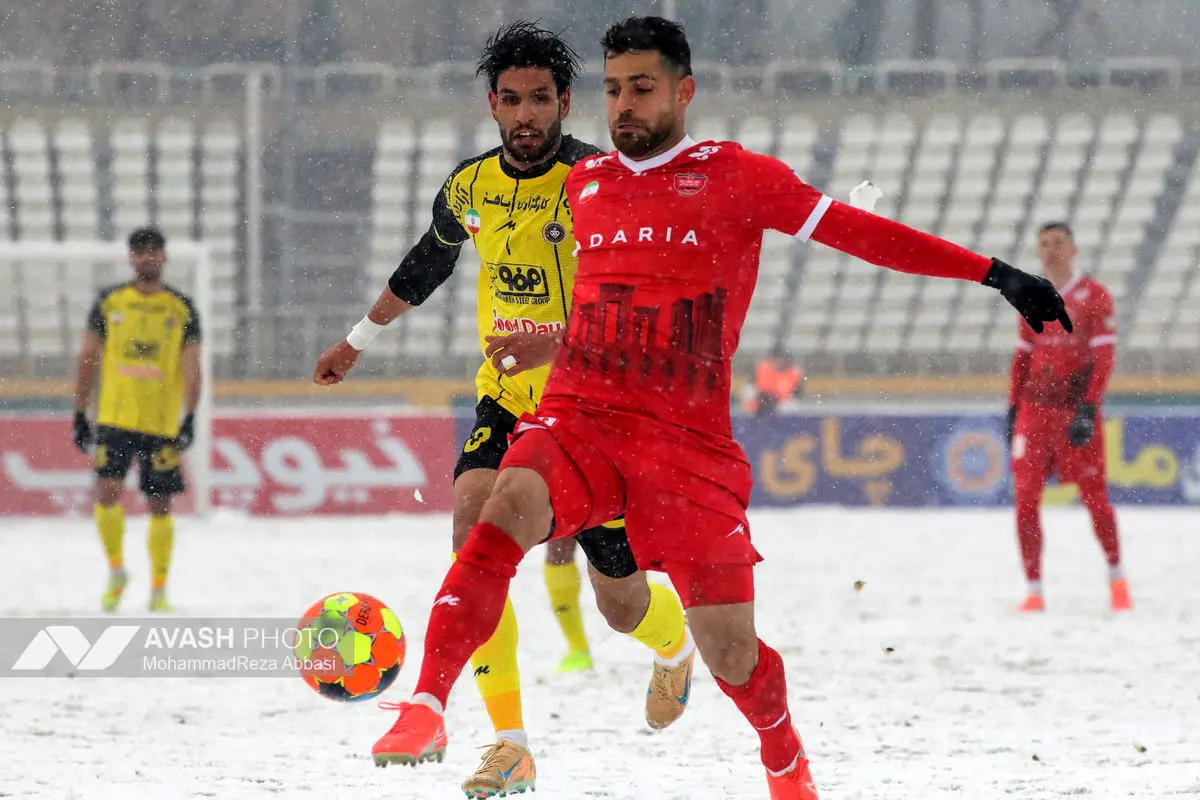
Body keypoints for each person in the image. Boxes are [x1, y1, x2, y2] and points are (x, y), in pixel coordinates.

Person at [367, 15, 1071, 800]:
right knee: (495, 515)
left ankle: (781, 754)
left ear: (683, 91)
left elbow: (858, 232)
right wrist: (541, 347)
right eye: (612, 89)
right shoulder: (584, 186)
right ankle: (428, 703)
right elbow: (595, 302)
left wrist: (997, 274)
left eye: (641, 87)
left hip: (685, 443)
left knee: (732, 655)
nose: (623, 105)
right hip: (579, 417)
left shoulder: (737, 176)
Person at [312, 22, 694, 798]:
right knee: (472, 531)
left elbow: (647, 294)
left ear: (564, 104)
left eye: (541, 101)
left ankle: (674, 646)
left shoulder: (602, 180)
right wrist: (357, 339)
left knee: (620, 605)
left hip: (597, 409)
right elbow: (428, 260)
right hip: (507, 400)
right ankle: (510, 742)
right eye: (512, 101)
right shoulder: (470, 185)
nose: (526, 115)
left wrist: (555, 343)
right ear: (493, 104)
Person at [71, 226, 202, 613]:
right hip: (114, 417)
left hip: (160, 423)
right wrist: (80, 412)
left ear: (164, 256)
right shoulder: (110, 303)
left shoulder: (181, 308)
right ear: (131, 258)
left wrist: (190, 415)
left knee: (160, 504)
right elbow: (88, 358)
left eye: (154, 251)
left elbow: (192, 365)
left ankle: (159, 590)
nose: (148, 257)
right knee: (106, 493)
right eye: (140, 252)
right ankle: (116, 570)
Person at [1006, 221, 1130, 613]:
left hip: (1075, 410)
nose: (1051, 250)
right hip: (1035, 411)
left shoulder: (1095, 297)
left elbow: (1104, 357)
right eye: (1044, 244)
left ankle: (1116, 577)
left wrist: (1090, 407)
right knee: (1026, 501)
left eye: (1058, 243)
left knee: (1095, 499)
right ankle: (1034, 588)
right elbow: (1023, 355)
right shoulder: (1031, 295)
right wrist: (1012, 407)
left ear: (1073, 249)